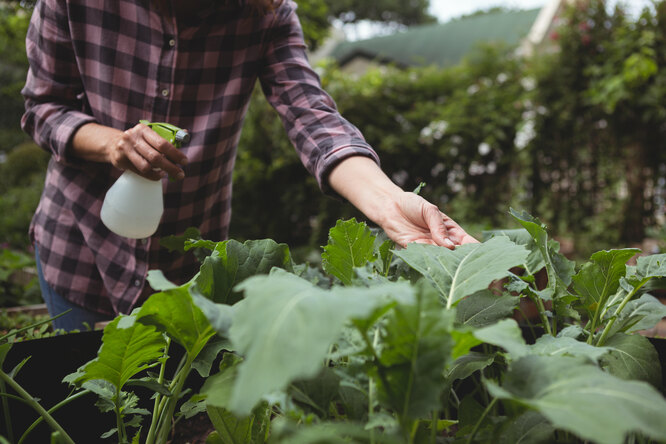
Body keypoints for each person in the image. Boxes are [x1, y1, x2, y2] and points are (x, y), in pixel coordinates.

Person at [21, 0, 477, 331]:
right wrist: (114, 145)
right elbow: (44, 106)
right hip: (80, 249)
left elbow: (312, 116)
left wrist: (391, 204)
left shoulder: (265, 13)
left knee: (165, 414)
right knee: (94, 409)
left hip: (188, 258)